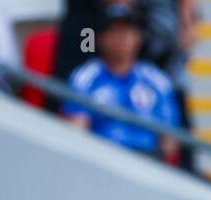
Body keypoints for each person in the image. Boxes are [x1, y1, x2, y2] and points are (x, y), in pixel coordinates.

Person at [63, 4, 181, 163]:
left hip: (147, 164)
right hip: (99, 161)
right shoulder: (85, 77)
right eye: (115, 31)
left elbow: (170, 140)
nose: (122, 38)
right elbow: (76, 130)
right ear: (101, 38)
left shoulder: (157, 81)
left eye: (128, 31)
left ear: (139, 37)